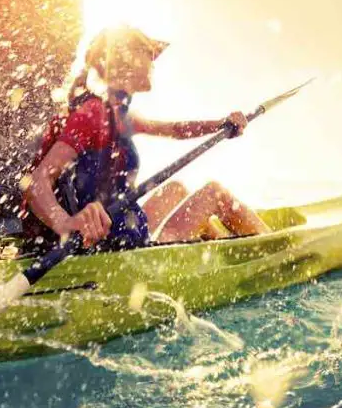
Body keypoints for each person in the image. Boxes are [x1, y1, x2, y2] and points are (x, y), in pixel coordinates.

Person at [19, 25, 270, 251]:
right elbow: (37, 181)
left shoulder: (119, 114)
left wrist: (222, 124)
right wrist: (66, 224)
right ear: (129, 61)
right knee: (214, 193)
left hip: (123, 234)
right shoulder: (94, 115)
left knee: (177, 189)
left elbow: (176, 130)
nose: (153, 64)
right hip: (111, 248)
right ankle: (279, 255)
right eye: (150, 56)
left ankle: (215, 256)